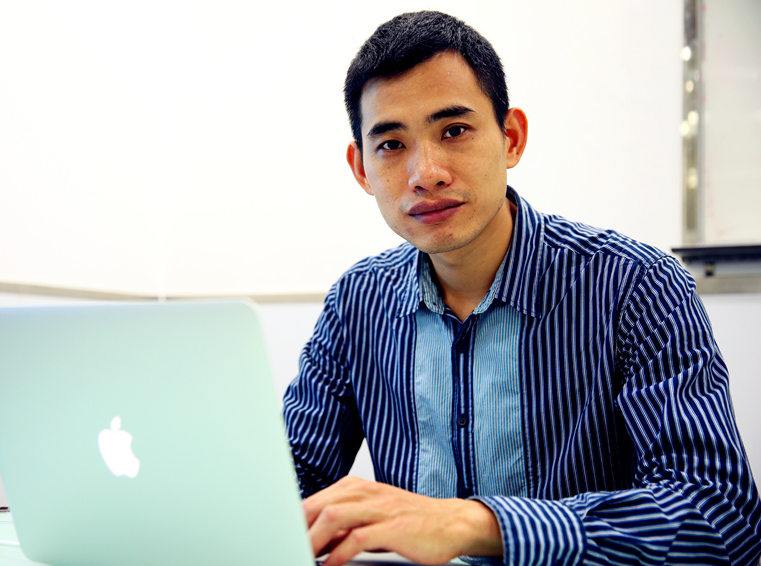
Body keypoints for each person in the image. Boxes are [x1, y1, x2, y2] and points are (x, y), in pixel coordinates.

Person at [282, 10, 761, 566]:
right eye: (391, 144)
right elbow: (285, 485)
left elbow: (721, 518)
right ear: (361, 169)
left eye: (454, 131)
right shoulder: (356, 303)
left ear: (511, 139)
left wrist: (475, 524)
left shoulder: (636, 286)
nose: (426, 172)